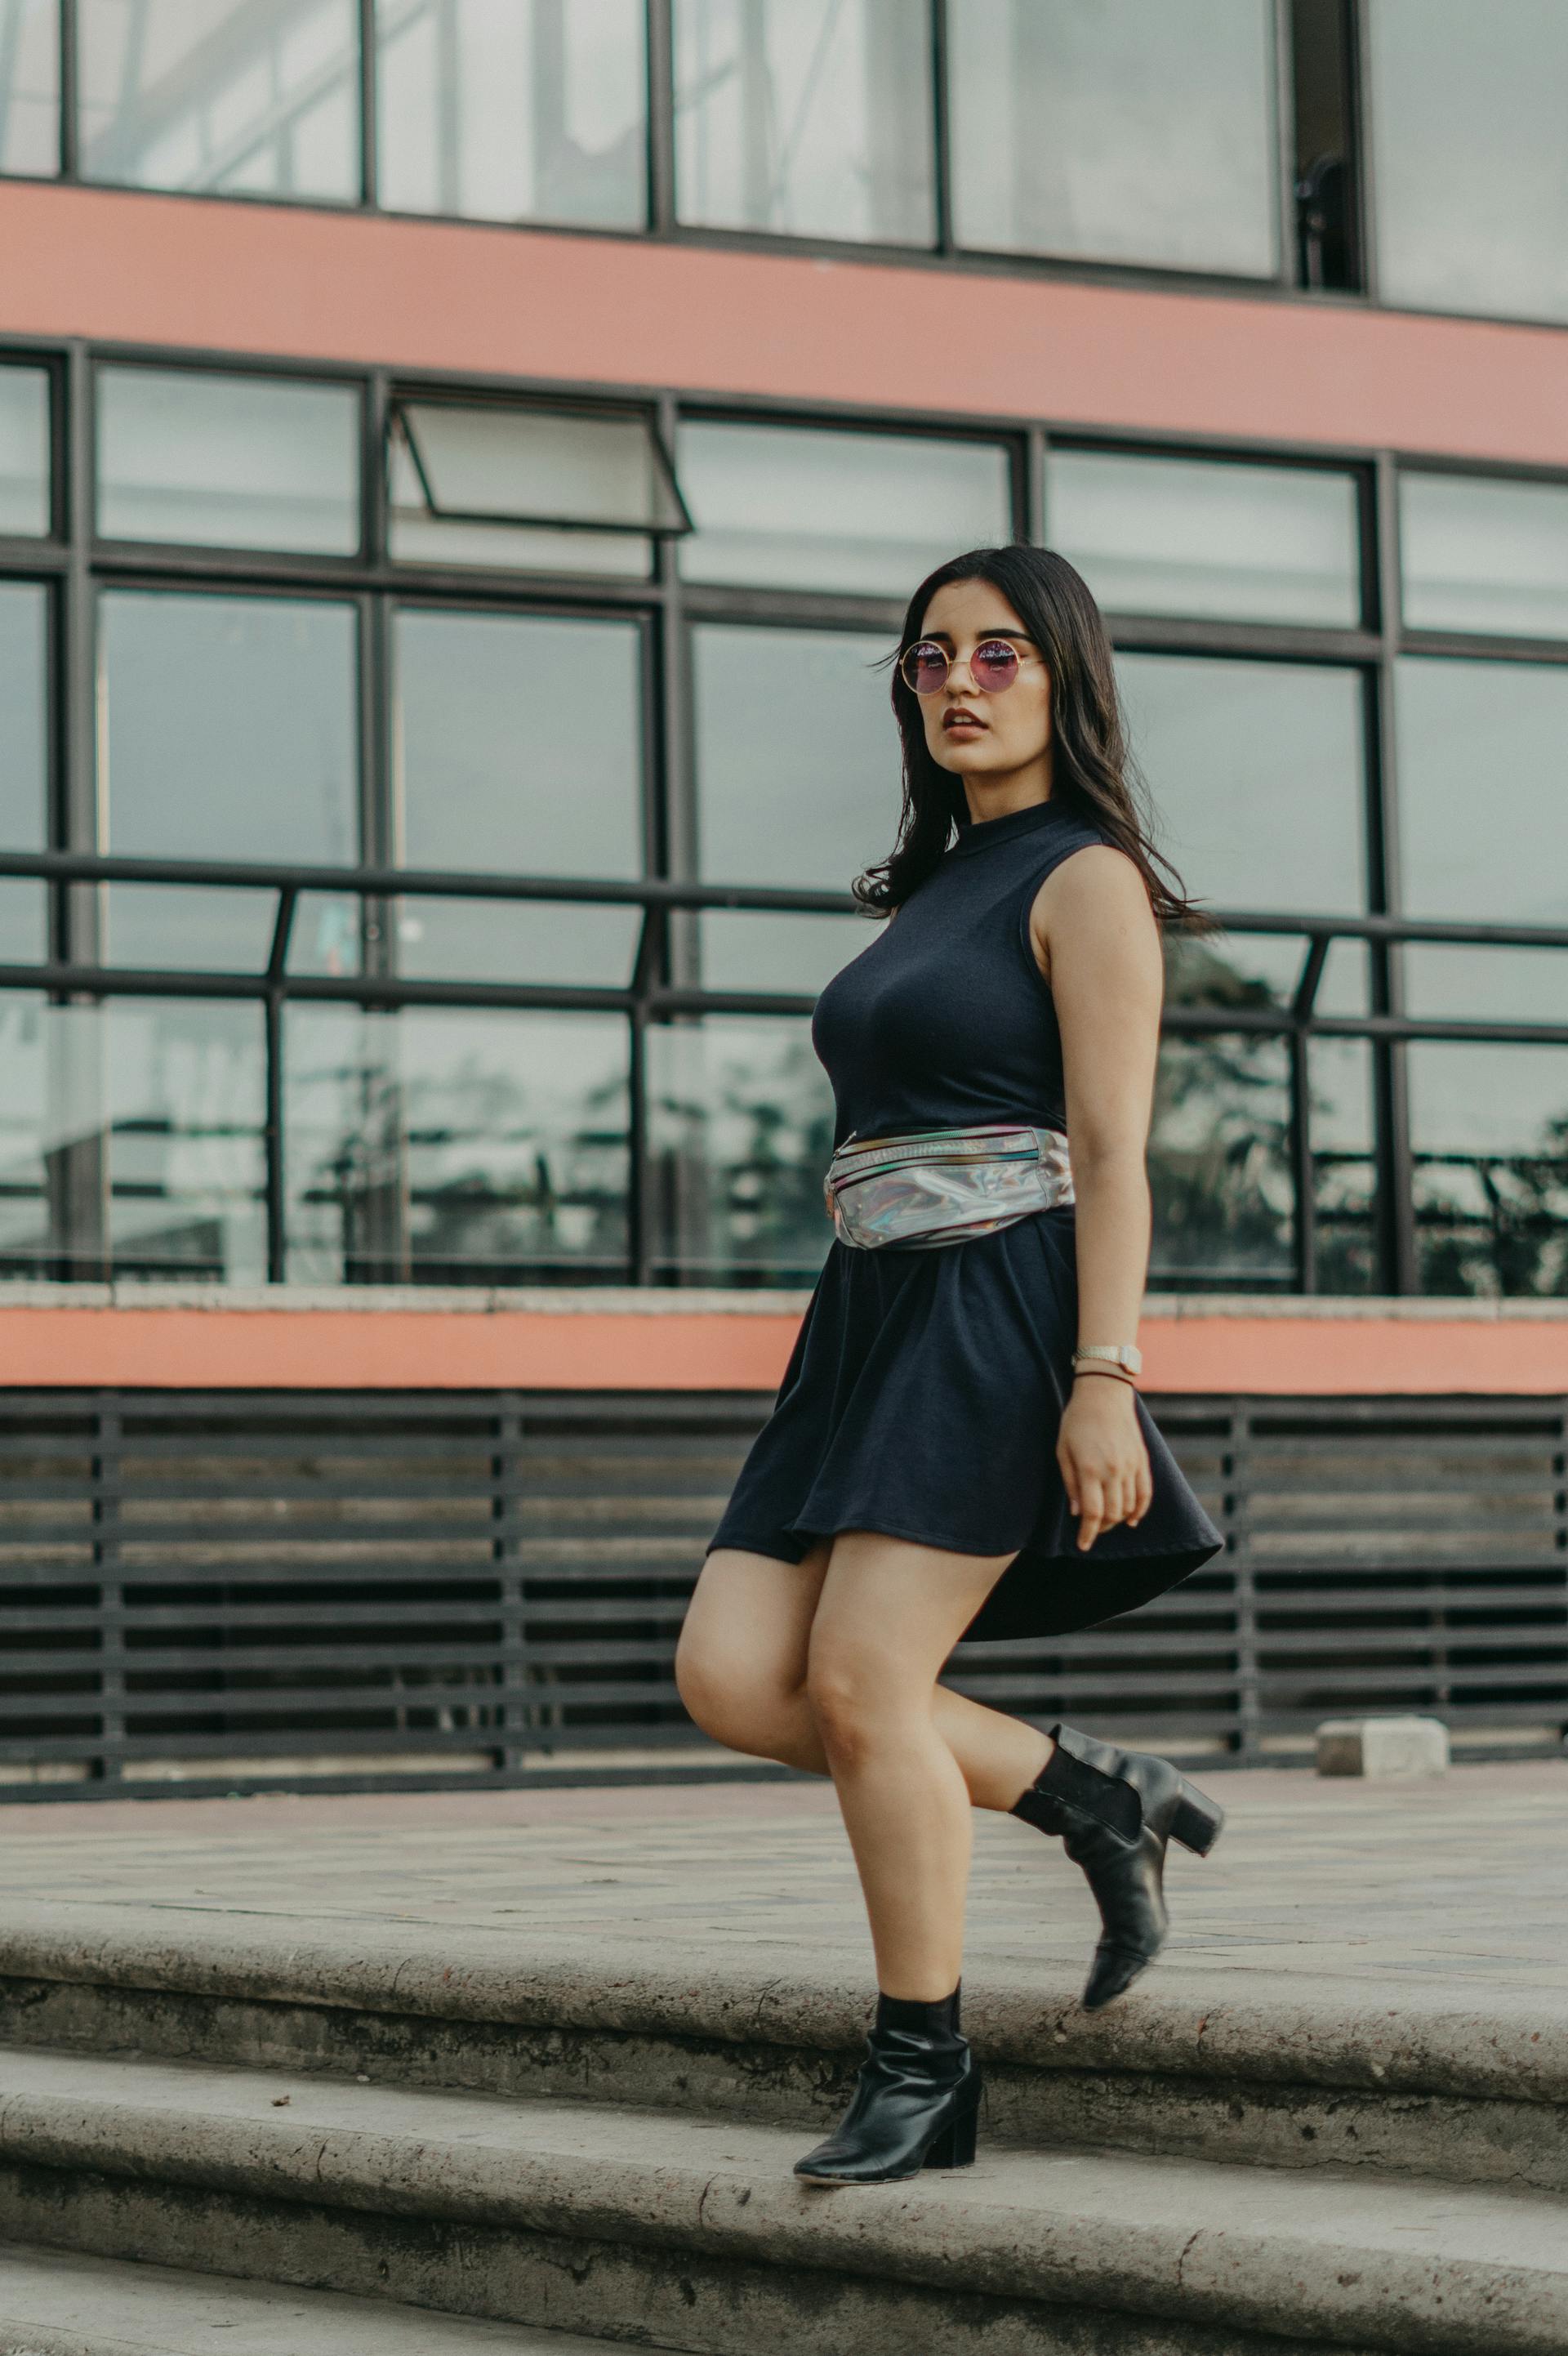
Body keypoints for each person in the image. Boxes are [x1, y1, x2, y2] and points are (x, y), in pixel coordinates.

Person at [675, 543, 1226, 2187]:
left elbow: (1115, 1151)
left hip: (1002, 1304)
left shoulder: (1088, 878)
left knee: (858, 1683)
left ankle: (927, 2064)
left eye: (998, 655)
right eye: (931, 659)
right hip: (863, 1317)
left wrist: (1104, 1371)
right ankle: (1090, 1797)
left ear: (1065, 677)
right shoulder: (934, 888)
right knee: (731, 1670)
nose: (960, 684)